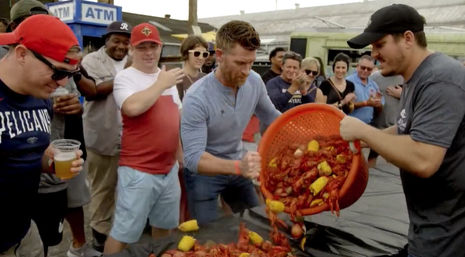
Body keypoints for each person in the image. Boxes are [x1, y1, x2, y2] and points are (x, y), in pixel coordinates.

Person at [342, 4, 465, 257]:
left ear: (407, 38)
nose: (373, 54)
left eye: (379, 45)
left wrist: (364, 132)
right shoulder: (415, 79)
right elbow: (403, 129)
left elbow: (424, 159)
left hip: (449, 232)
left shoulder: (440, 78)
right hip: (430, 222)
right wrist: (359, 140)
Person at [181, 20, 281, 225]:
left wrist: (305, 134)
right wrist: (238, 167)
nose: (247, 70)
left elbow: (272, 116)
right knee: (208, 239)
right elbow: (193, 158)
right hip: (204, 175)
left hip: (237, 166)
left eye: (251, 62)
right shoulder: (196, 97)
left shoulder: (254, 81)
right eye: (240, 63)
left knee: (256, 225)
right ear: (219, 56)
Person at [0, 14, 84, 256]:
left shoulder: (40, 97)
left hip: (23, 232)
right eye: (58, 72)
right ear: (22, 54)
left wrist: (53, 161)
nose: (63, 83)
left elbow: (31, 151)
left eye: (71, 74)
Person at [105, 22, 185, 254]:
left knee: (164, 228)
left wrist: (179, 156)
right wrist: (161, 84)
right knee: (123, 234)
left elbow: (174, 118)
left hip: (168, 170)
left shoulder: (166, 78)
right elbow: (131, 108)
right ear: (132, 49)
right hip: (138, 171)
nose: (149, 52)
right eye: (142, 47)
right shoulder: (125, 78)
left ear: (160, 47)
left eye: (153, 46)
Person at [81, 20, 132, 252]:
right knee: (102, 190)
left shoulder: (134, 61)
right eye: (116, 40)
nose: (121, 46)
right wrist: (129, 75)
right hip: (103, 137)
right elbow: (92, 92)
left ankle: (122, 235)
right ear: (107, 40)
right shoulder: (91, 61)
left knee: (130, 188)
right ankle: (100, 239)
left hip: (133, 139)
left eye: (125, 41)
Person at [368, 70, 403, 168]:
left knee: (394, 165)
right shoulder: (375, 77)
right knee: (371, 162)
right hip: (376, 126)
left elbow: (419, 100)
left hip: (397, 129)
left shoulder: (408, 78)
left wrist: (401, 95)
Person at [347, 55, 384, 124]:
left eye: (369, 69)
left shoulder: (374, 85)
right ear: (357, 66)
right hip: (351, 125)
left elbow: (379, 111)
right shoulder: (348, 82)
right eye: (363, 68)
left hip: (368, 125)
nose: (365, 70)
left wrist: (378, 104)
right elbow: (345, 107)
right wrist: (366, 103)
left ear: (372, 70)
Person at [176, 35, 208, 101]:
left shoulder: (207, 78)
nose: (201, 58)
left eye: (204, 54)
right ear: (186, 53)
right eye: (196, 53)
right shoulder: (177, 79)